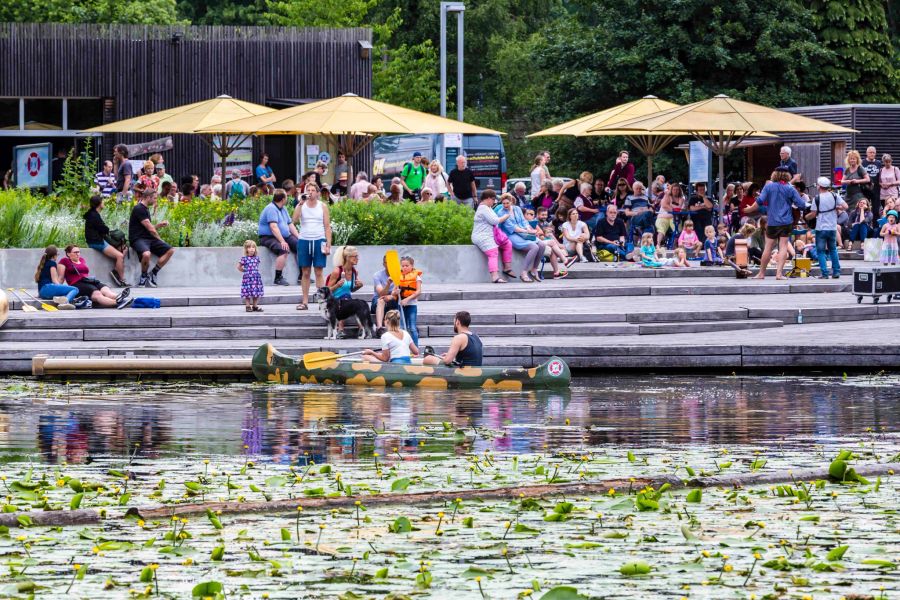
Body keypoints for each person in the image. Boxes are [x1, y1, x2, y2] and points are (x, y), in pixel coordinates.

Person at [747, 168, 806, 280]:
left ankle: (761, 274)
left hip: (772, 221)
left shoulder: (768, 186)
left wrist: (750, 209)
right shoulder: (790, 188)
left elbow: (760, 201)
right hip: (786, 222)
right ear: (787, 175)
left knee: (768, 247)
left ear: (774, 174)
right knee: (783, 247)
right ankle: (779, 274)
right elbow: (801, 204)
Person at [293, 182, 331, 311]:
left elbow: (327, 226)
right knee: (305, 271)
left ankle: (322, 302)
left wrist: (328, 244)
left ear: (318, 192)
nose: (310, 192)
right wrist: (300, 203)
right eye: (308, 190)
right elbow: (294, 219)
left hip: (319, 239)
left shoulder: (322, 206)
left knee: (319, 271)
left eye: (313, 190)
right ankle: (305, 301)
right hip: (304, 239)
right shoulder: (301, 205)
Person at [58, 245, 131, 309]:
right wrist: (57, 289)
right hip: (76, 284)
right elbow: (61, 278)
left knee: (105, 290)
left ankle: (120, 297)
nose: (78, 254)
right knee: (97, 294)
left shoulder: (82, 260)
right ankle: (117, 302)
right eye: (75, 252)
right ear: (68, 254)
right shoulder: (64, 261)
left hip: (88, 281)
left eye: (79, 252)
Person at [129, 189, 175, 288]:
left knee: (170, 250)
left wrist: (158, 225)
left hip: (147, 238)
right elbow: (151, 230)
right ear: (148, 197)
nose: (155, 201)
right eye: (154, 198)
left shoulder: (145, 209)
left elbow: (147, 227)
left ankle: (153, 273)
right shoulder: (139, 209)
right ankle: (144, 275)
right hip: (137, 239)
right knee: (146, 254)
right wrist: (160, 240)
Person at [805, 176, 847, 279]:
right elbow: (845, 206)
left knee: (821, 251)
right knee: (833, 250)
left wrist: (806, 216)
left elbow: (813, 214)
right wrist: (837, 207)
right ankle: (836, 272)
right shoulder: (834, 196)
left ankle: (825, 273)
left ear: (819, 186)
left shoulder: (817, 198)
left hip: (821, 227)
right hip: (832, 227)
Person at [497, 193, 546, 280]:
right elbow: (512, 228)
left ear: (511, 202)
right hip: (511, 234)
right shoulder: (501, 212)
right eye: (503, 203)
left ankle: (534, 269)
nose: (505, 205)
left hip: (523, 232)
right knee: (534, 247)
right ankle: (524, 272)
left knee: (542, 245)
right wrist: (527, 231)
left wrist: (528, 228)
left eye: (507, 203)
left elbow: (524, 221)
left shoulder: (517, 209)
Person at [257, 188, 299, 286]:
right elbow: (273, 227)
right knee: (283, 249)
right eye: (286, 197)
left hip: (284, 236)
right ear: (283, 199)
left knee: (300, 245)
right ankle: (278, 277)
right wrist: (282, 241)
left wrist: (298, 236)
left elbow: (290, 224)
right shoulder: (271, 208)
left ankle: (302, 275)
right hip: (268, 237)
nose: (287, 199)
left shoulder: (283, 209)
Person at [84, 194, 127, 287]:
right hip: (97, 242)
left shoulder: (92, 213)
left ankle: (116, 270)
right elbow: (103, 229)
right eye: (102, 201)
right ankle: (121, 279)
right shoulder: (94, 216)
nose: (103, 203)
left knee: (123, 247)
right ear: (99, 204)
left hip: (96, 240)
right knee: (120, 256)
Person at [472, 189, 513, 283]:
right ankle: (495, 277)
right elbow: (494, 221)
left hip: (490, 235)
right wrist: (506, 216)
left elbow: (495, 219)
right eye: (494, 199)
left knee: (507, 244)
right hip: (482, 236)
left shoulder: (488, 207)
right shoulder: (483, 208)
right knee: (493, 252)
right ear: (489, 198)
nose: (495, 201)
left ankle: (507, 268)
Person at [325, 246, 364, 339]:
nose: (357, 258)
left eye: (357, 256)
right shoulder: (337, 271)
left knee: (358, 304)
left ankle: (362, 328)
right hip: (333, 299)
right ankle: (340, 330)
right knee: (344, 301)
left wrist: (359, 286)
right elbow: (327, 290)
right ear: (347, 257)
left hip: (346, 298)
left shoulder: (354, 272)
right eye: (354, 256)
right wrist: (337, 285)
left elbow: (351, 290)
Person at [393, 256, 422, 346]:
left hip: (412, 305)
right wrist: (395, 292)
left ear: (412, 266)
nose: (404, 268)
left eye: (407, 265)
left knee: (412, 328)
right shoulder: (398, 277)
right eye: (403, 266)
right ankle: (403, 347)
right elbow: (393, 292)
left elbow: (418, 291)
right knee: (401, 327)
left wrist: (407, 299)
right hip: (400, 305)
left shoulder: (417, 277)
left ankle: (415, 349)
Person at [371, 256, 400, 329]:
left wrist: (392, 296)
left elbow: (399, 291)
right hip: (378, 301)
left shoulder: (400, 274)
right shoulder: (377, 275)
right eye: (387, 263)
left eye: (392, 263)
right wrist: (388, 284)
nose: (390, 265)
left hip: (393, 300)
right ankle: (379, 328)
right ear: (384, 264)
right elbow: (381, 294)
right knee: (381, 300)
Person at [623, 180, 653, 246]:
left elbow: (651, 210)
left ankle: (645, 241)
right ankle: (647, 241)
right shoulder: (629, 198)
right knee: (649, 222)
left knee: (648, 214)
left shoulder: (646, 197)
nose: (639, 190)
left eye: (640, 188)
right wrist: (637, 213)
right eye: (637, 188)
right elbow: (627, 213)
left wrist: (645, 211)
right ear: (633, 189)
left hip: (646, 216)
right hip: (635, 217)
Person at [238, 239, 264, 312]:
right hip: (248, 278)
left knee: (256, 292)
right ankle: (248, 306)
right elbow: (239, 267)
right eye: (249, 247)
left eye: (253, 247)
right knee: (247, 293)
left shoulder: (257, 258)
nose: (251, 249)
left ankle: (255, 306)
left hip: (256, 278)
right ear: (246, 249)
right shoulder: (244, 258)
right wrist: (245, 271)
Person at [862, 146, 883, 216]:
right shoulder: (862, 163)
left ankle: (875, 226)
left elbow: (881, 175)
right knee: (865, 208)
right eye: (870, 152)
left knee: (876, 209)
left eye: (873, 152)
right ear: (867, 153)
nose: (872, 154)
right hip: (865, 189)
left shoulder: (878, 163)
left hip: (876, 189)